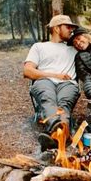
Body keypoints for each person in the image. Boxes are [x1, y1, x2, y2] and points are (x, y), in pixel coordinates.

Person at [23, 14, 80, 151]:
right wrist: (54, 75)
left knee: (63, 102)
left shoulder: (74, 48)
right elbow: (27, 71)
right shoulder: (39, 47)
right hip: (44, 80)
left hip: (67, 83)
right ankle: (62, 133)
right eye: (68, 27)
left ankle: (55, 135)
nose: (71, 30)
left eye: (72, 27)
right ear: (56, 28)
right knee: (48, 99)